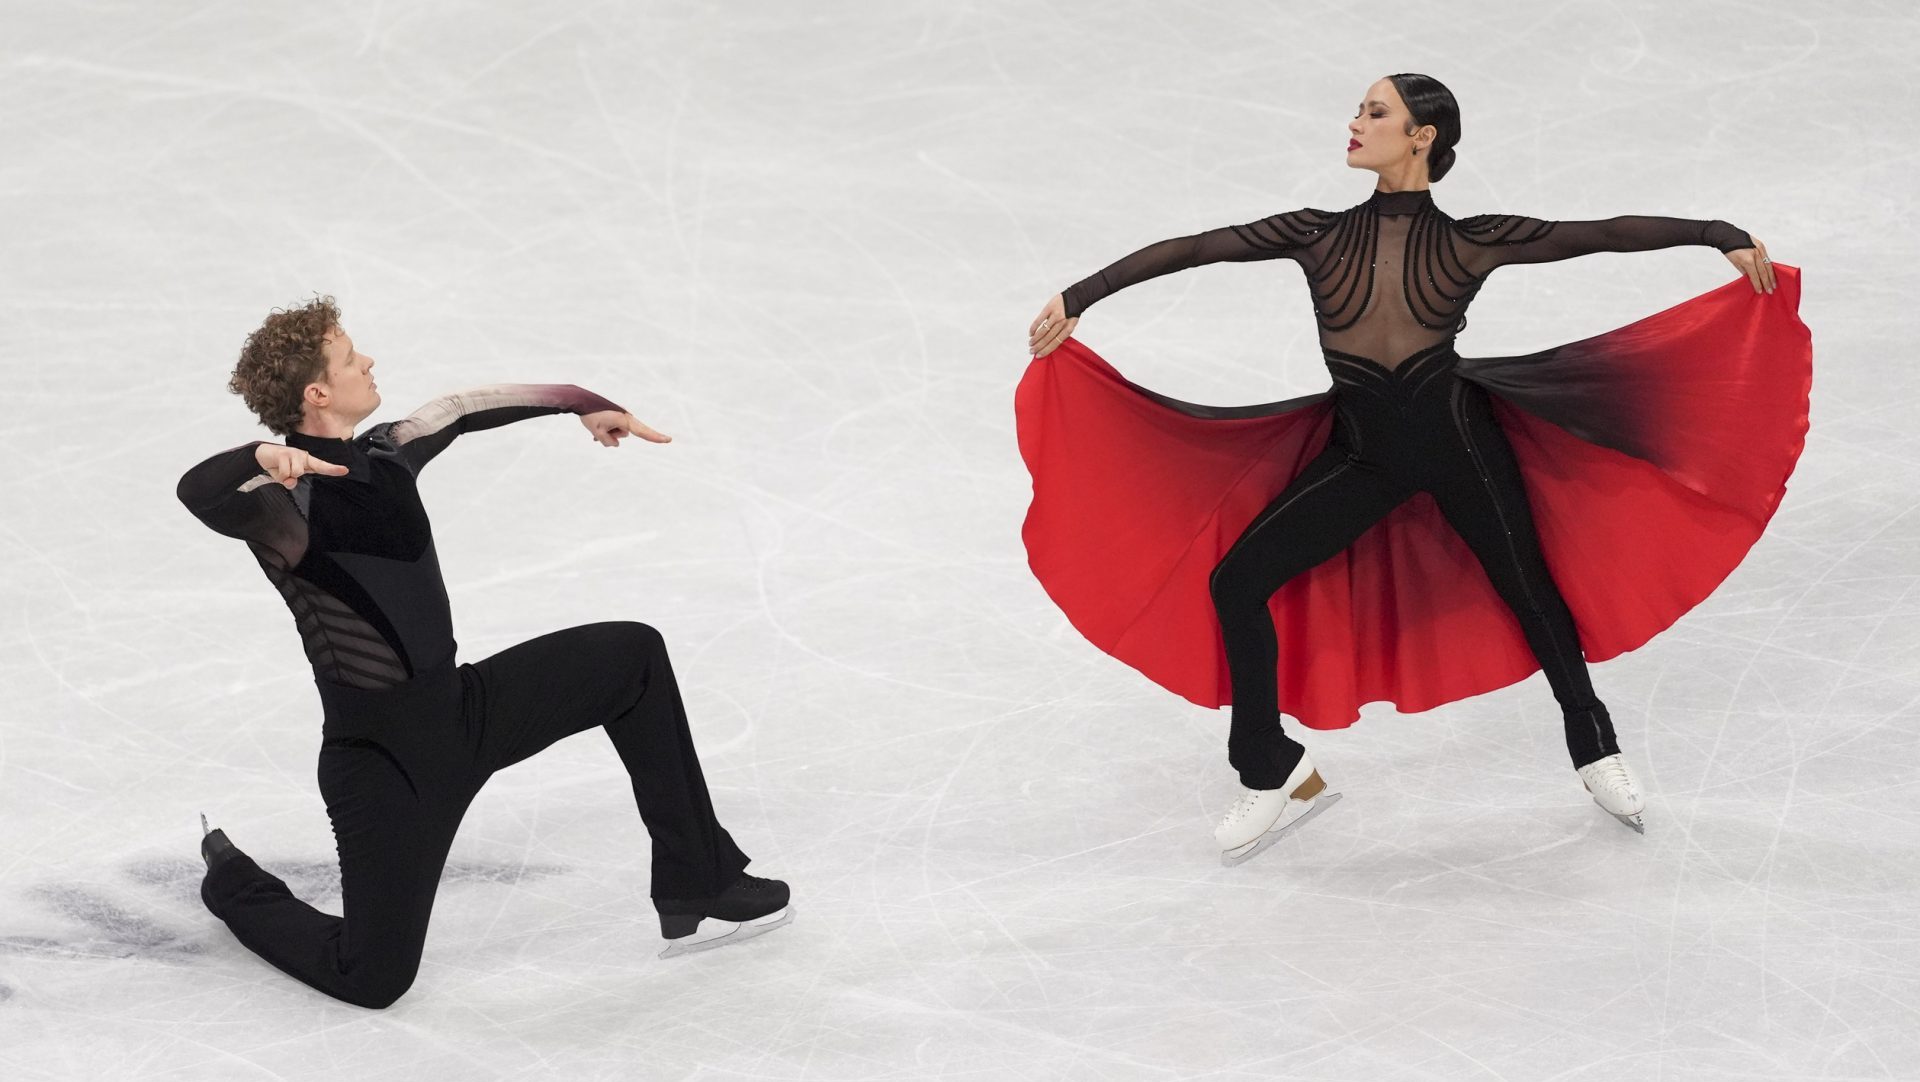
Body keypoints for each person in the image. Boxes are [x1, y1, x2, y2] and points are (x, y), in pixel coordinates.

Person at [1017, 74, 1811, 866]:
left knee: (1531, 591)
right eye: (1360, 110)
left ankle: (1594, 747)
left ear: (1422, 136)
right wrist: (1080, 295)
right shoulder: (1315, 232)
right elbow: (1196, 249)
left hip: (1459, 444)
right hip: (1363, 456)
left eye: (1375, 111)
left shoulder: (1474, 239)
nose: (1354, 122)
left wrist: (1718, 232)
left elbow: (1599, 232)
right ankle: (1272, 769)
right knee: (1236, 581)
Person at [179, 297, 790, 1008]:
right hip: (383, 763)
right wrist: (259, 454)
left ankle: (699, 878)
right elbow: (195, 490)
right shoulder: (281, 502)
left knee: (633, 656)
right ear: (317, 393)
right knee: (374, 978)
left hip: (465, 710)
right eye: (351, 358)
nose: (369, 361)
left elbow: (462, 408)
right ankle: (232, 883)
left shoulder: (386, 451)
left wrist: (584, 404)